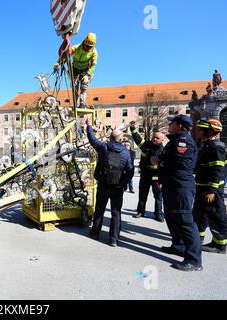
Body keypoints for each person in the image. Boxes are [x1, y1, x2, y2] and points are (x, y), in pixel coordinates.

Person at [154, 114, 202, 271]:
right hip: (171, 185)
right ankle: (178, 246)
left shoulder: (184, 142)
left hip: (180, 187)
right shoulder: (174, 141)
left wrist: (159, 161)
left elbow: (178, 164)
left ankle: (194, 260)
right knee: (171, 217)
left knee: (185, 221)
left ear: (180, 126)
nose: (169, 125)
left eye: (172, 123)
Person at [86, 118, 134, 247]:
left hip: (103, 184)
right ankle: (113, 239)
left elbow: (92, 139)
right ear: (121, 139)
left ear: (111, 137)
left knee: (100, 209)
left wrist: (89, 126)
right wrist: (123, 182)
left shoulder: (104, 147)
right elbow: (130, 170)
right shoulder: (126, 152)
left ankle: (95, 233)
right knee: (116, 212)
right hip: (118, 186)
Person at [192, 118, 227, 254]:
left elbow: (217, 170)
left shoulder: (216, 146)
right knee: (199, 214)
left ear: (209, 131)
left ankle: (220, 244)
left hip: (211, 189)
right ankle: (197, 239)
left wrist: (212, 190)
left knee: (216, 216)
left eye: (200, 129)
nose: (197, 131)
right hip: (202, 187)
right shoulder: (206, 145)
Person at [130, 125, 165, 222]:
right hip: (145, 175)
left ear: (162, 140)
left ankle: (158, 214)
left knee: (158, 197)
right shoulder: (146, 146)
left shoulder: (164, 151)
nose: (154, 139)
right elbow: (138, 140)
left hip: (157, 178)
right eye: (154, 137)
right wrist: (133, 130)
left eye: (157, 138)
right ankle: (141, 211)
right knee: (142, 194)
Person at [55, 33, 98, 107]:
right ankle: (75, 104)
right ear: (84, 42)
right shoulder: (77, 48)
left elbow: (94, 64)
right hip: (75, 68)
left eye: (89, 47)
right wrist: (58, 63)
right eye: (87, 46)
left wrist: (87, 75)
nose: (87, 48)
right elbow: (66, 55)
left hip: (85, 70)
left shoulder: (94, 52)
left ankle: (82, 104)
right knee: (75, 86)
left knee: (84, 86)